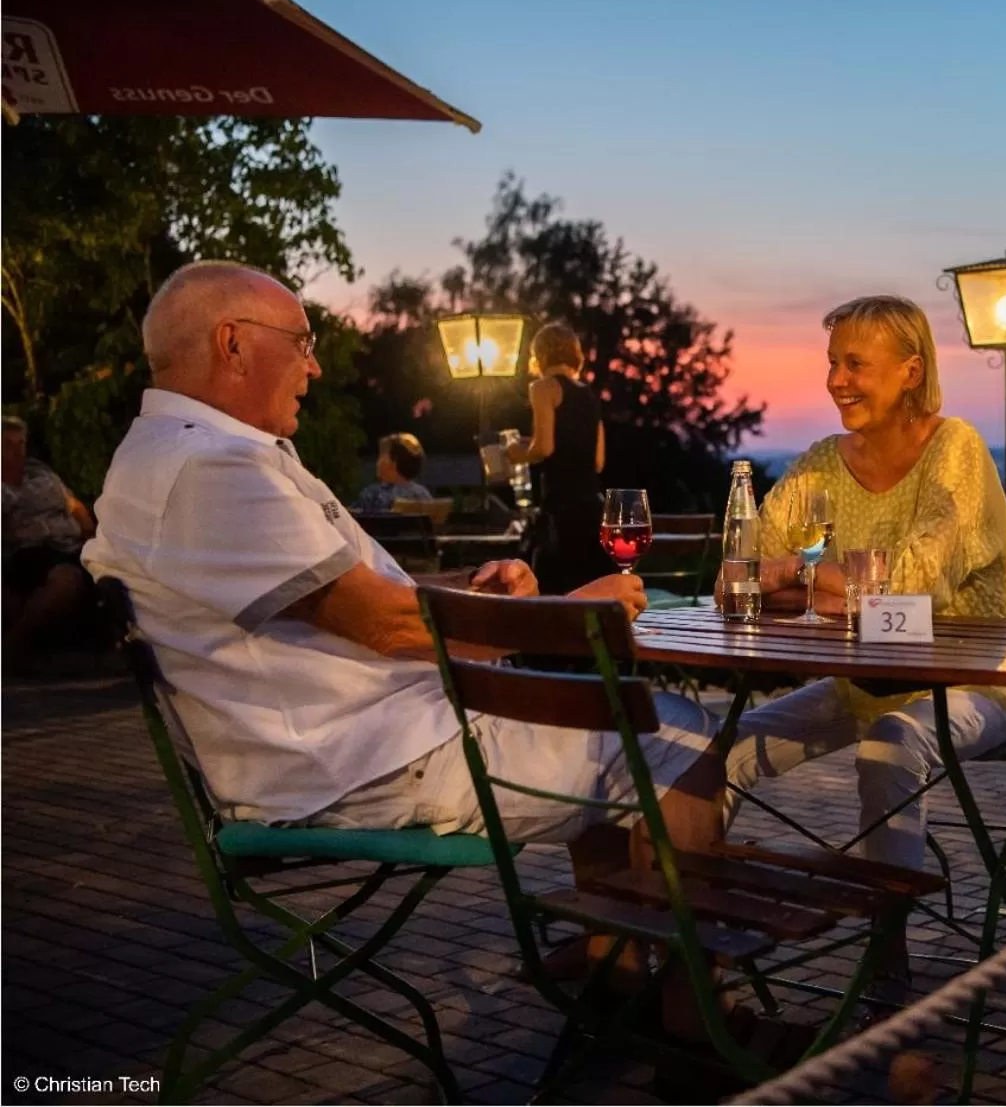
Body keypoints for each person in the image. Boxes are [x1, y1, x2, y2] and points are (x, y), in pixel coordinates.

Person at [81, 262, 729, 1037]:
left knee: (588, 719)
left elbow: (366, 593)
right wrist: (566, 612)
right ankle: (700, 1033)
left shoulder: (176, 454)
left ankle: (614, 979)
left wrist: (485, 586)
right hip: (366, 758)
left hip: (352, 741)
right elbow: (388, 625)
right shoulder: (210, 468)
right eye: (303, 341)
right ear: (232, 343)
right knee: (678, 736)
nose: (315, 366)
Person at [724, 296, 1006, 877]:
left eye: (854, 364)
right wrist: (832, 586)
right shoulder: (823, 463)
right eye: (831, 364)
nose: (836, 381)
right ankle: (687, 930)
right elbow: (739, 577)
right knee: (716, 753)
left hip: (986, 676)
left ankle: (887, 942)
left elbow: (913, 586)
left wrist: (798, 574)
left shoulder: (957, 450)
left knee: (891, 743)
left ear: (911, 371)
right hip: (866, 680)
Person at [506, 321, 611, 595]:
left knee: (552, 592)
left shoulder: (543, 387)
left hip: (560, 509)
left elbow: (545, 448)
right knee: (588, 591)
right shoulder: (589, 395)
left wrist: (517, 453)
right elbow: (597, 460)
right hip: (592, 509)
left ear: (539, 355)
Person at [3, 416, 96, 664]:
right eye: (7, 444)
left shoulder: (41, 473)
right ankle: (12, 647)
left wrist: (93, 535)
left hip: (72, 544)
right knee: (67, 579)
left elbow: (74, 505)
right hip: (30, 551)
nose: (16, 451)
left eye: (20, 443)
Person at [352, 433, 433, 513]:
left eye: (381, 456)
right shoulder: (422, 495)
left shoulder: (373, 494)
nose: (377, 463)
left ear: (394, 462)